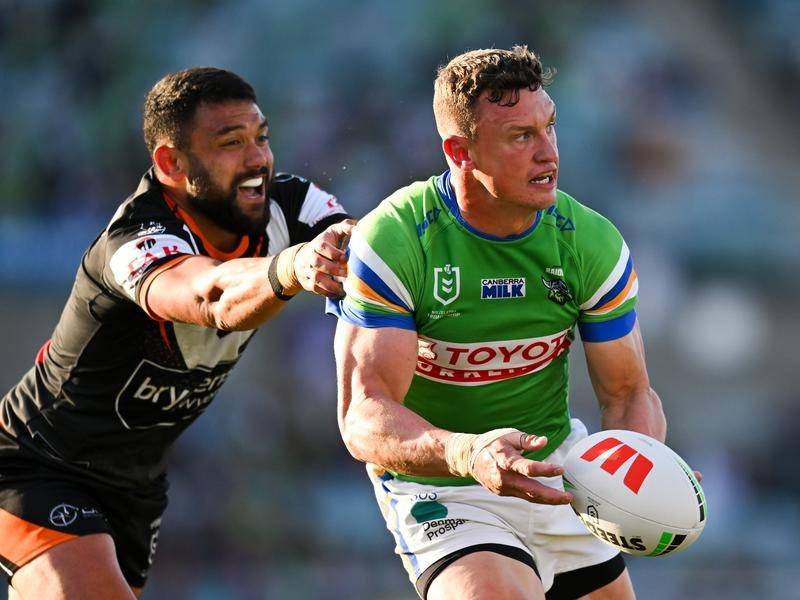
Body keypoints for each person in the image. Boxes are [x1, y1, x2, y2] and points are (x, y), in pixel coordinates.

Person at [0, 67, 353, 599]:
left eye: (261, 137)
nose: (258, 158)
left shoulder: (296, 208)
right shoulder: (131, 242)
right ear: (170, 162)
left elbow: (379, 269)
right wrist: (290, 268)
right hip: (36, 463)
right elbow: (209, 296)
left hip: (138, 489)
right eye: (230, 143)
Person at [329, 46, 666, 599]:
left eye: (549, 127)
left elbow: (629, 392)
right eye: (520, 137)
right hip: (443, 485)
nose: (548, 153)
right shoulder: (395, 238)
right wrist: (467, 451)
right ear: (460, 151)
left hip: (556, 474)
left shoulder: (591, 242)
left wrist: (639, 472)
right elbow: (363, 417)